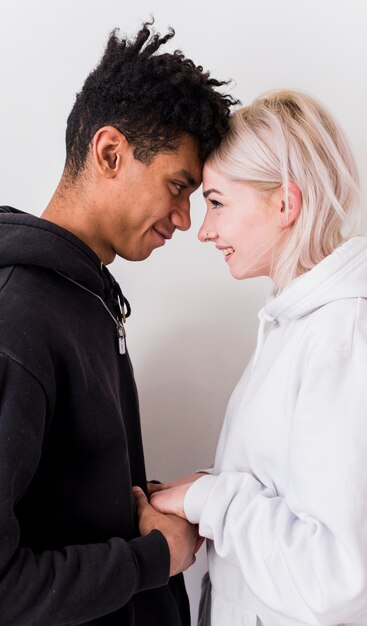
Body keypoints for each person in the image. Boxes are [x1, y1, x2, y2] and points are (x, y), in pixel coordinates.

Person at [150, 89, 367, 625]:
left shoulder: (346, 342)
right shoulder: (301, 326)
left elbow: (336, 576)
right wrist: (201, 490)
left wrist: (211, 500)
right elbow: (295, 490)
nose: (204, 230)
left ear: (285, 203)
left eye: (218, 202)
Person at [0, 21, 237, 626]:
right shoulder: (16, 317)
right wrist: (152, 559)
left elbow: (63, 500)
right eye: (178, 186)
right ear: (110, 152)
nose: (185, 220)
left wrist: (155, 500)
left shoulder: (86, 294)